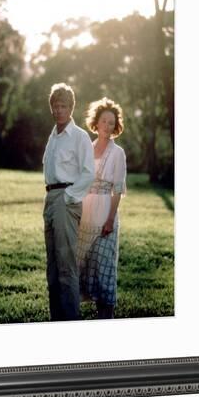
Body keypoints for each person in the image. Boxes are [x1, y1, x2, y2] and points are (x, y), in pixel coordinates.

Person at [43, 83, 95, 321]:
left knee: (66, 266)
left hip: (66, 199)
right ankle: (57, 321)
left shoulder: (79, 137)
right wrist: (55, 199)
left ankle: (71, 322)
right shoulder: (53, 136)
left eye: (64, 106)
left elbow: (88, 173)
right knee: (52, 266)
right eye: (55, 105)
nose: (59, 110)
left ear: (71, 108)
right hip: (51, 199)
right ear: (51, 108)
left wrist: (68, 197)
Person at [77, 97, 127, 319]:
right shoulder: (86, 148)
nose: (107, 126)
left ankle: (107, 316)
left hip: (106, 212)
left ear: (115, 126)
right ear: (95, 123)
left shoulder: (118, 154)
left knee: (104, 266)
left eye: (111, 122)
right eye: (104, 121)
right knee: (85, 265)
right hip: (86, 212)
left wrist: (109, 220)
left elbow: (118, 190)